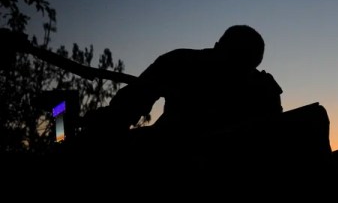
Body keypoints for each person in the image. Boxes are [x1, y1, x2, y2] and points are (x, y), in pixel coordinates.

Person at [81, 24, 283, 140]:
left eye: (243, 65)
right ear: (216, 48)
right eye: (232, 59)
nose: (232, 72)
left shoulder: (263, 87)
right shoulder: (180, 62)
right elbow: (126, 108)